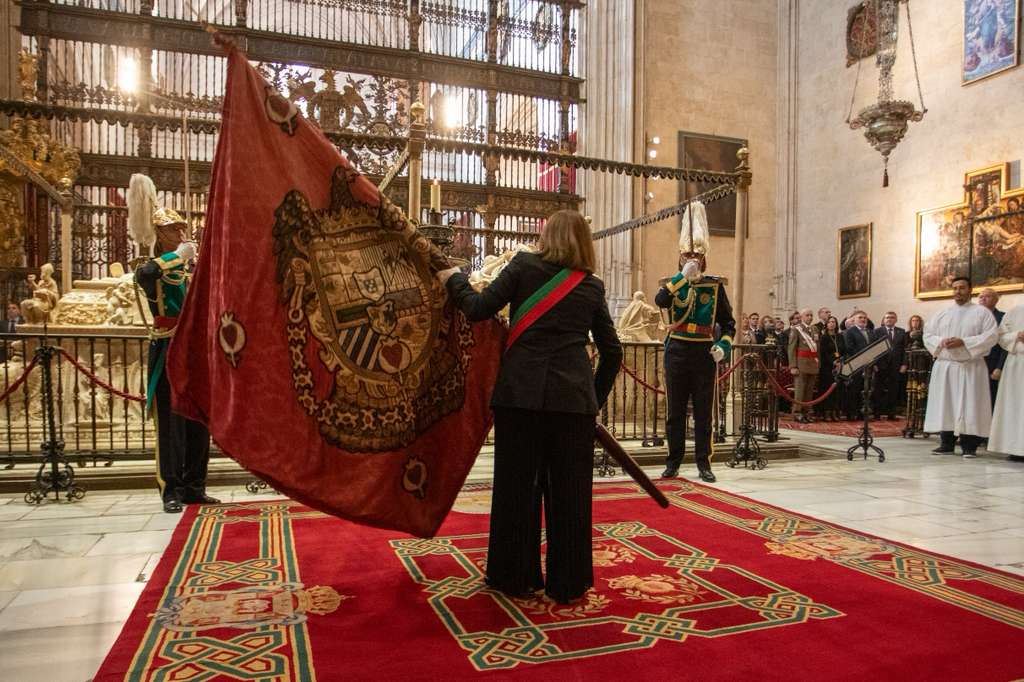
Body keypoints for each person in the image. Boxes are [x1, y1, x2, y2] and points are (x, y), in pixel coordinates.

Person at [440, 209, 621, 604]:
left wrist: (453, 278)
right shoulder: (591, 287)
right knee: (571, 494)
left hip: (519, 397)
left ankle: (514, 576)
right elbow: (613, 352)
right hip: (573, 404)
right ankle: (568, 582)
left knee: (516, 489)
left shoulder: (523, 266)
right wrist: (593, 400)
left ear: (546, 235)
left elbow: (476, 308)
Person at [134, 207, 218, 513]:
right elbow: (144, 275)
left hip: (194, 350)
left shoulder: (191, 269)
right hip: (168, 347)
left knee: (198, 420)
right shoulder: (154, 268)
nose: (181, 235)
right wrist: (178, 257)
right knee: (170, 424)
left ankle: (195, 485)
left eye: (183, 230)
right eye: (173, 230)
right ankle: (171, 489)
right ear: (159, 234)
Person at [655, 201, 734, 484]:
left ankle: (704, 463)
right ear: (680, 257)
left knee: (703, 411)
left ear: (704, 258)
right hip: (676, 349)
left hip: (703, 351)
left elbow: (729, 323)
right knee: (675, 411)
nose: (692, 258)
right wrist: (680, 278)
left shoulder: (715, 286)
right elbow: (660, 301)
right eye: (687, 254)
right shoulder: (671, 282)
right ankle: (673, 462)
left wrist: (722, 346)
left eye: (696, 255)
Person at [924, 277, 999, 458]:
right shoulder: (942, 313)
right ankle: (946, 443)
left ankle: (969, 446)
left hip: (970, 366)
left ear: (970, 290)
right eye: (955, 288)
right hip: (946, 366)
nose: (958, 291)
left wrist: (964, 342)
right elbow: (928, 334)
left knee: (970, 405)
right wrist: (941, 341)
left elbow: (991, 336)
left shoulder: (982, 313)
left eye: (962, 288)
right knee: (946, 404)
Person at [988, 303, 1024, 461]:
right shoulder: (1014, 311)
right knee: (1014, 405)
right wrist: (1017, 335)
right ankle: (1015, 447)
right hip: (1016, 363)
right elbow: (1000, 336)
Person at [871, 311, 907, 420]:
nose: (889, 319)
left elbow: (905, 350)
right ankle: (877, 413)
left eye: (892, 318)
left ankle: (891, 413)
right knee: (878, 389)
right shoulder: (877, 331)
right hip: (880, 365)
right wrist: (874, 364)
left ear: (895, 320)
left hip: (896, 365)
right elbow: (873, 349)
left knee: (894, 389)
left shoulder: (901, 332)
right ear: (884, 319)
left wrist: (904, 364)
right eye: (887, 318)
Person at [787, 308, 819, 423]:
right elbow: (791, 349)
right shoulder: (796, 329)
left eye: (811, 315)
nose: (810, 317)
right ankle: (797, 412)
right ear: (802, 317)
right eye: (807, 315)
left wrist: (817, 362)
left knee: (809, 390)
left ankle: (807, 412)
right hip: (801, 364)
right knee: (800, 390)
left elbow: (817, 348)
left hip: (812, 363)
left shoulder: (815, 329)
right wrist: (793, 366)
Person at [977, 288, 1006, 411]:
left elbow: (1005, 345)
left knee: (991, 398)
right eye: (980, 297)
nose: (983, 299)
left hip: (993, 365)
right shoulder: (973, 316)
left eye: (987, 296)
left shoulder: (1003, 317)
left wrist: (999, 367)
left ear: (995, 300)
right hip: (975, 363)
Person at [842, 310, 874, 420]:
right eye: (860, 317)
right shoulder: (850, 332)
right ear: (854, 320)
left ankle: (862, 413)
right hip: (854, 364)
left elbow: (874, 347)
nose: (863, 319)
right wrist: (863, 357)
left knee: (865, 389)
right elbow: (849, 348)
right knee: (853, 390)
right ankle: (851, 413)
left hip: (867, 365)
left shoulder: (870, 332)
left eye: (865, 318)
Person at [815, 316, 844, 421]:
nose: (832, 324)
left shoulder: (839, 336)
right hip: (827, 367)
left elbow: (843, 350)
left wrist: (840, 361)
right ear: (826, 325)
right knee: (827, 389)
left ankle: (834, 412)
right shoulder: (824, 337)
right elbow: (823, 353)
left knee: (837, 391)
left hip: (839, 366)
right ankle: (826, 412)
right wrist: (833, 361)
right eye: (830, 322)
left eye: (834, 322)